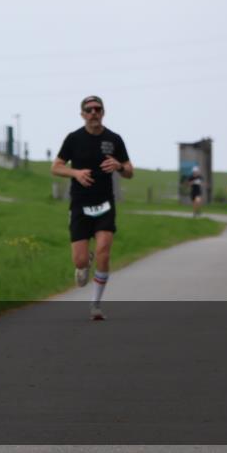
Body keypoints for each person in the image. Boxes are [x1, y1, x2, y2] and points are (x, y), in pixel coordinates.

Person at [51, 95, 134, 321]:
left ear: (103, 112)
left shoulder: (114, 139)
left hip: (105, 203)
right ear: (82, 114)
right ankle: (84, 261)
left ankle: (96, 305)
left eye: (98, 109)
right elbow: (56, 167)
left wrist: (119, 166)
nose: (94, 113)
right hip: (80, 204)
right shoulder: (73, 138)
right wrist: (75, 173)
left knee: (103, 252)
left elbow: (130, 171)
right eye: (89, 110)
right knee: (79, 261)